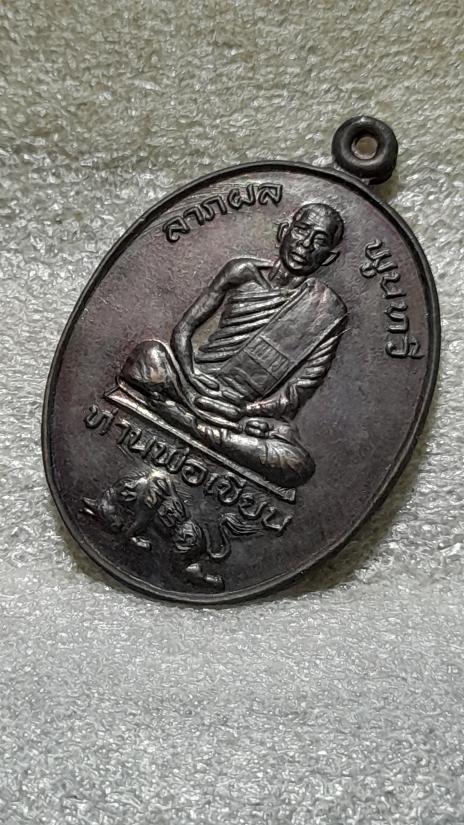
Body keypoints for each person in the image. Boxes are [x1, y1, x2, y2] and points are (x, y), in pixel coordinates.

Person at [120, 203, 347, 489]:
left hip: (242, 413)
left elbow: (299, 390)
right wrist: (191, 374)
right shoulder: (242, 271)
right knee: (147, 358)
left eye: (320, 240)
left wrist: (248, 411)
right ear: (284, 231)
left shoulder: (328, 311)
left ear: (329, 256)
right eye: (302, 230)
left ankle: (180, 417)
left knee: (297, 464)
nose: (306, 245)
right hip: (190, 386)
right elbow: (184, 329)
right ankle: (206, 427)